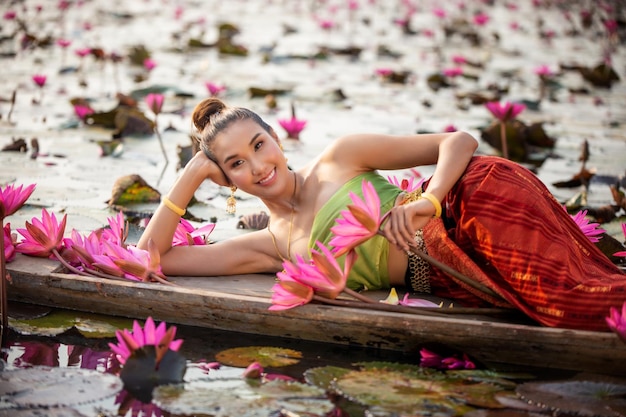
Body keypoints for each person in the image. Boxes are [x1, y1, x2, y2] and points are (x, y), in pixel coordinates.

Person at [137, 97, 625, 332]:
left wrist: (426, 203)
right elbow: (150, 260)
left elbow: (458, 142)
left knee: (579, 303)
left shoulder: (339, 156)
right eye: (236, 164)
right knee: (585, 303)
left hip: (474, 203)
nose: (258, 167)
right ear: (227, 180)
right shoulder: (273, 246)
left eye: (260, 145)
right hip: (452, 272)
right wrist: (191, 174)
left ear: (278, 140)